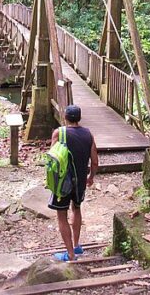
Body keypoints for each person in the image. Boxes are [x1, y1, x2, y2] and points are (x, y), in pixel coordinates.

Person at [49, 104, 98, 262]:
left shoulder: (59, 133)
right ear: (79, 118)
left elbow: (52, 158)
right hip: (80, 181)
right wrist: (91, 177)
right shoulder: (88, 134)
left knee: (61, 215)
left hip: (63, 181)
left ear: (65, 117)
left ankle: (70, 255)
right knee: (76, 208)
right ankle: (76, 245)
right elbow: (95, 161)